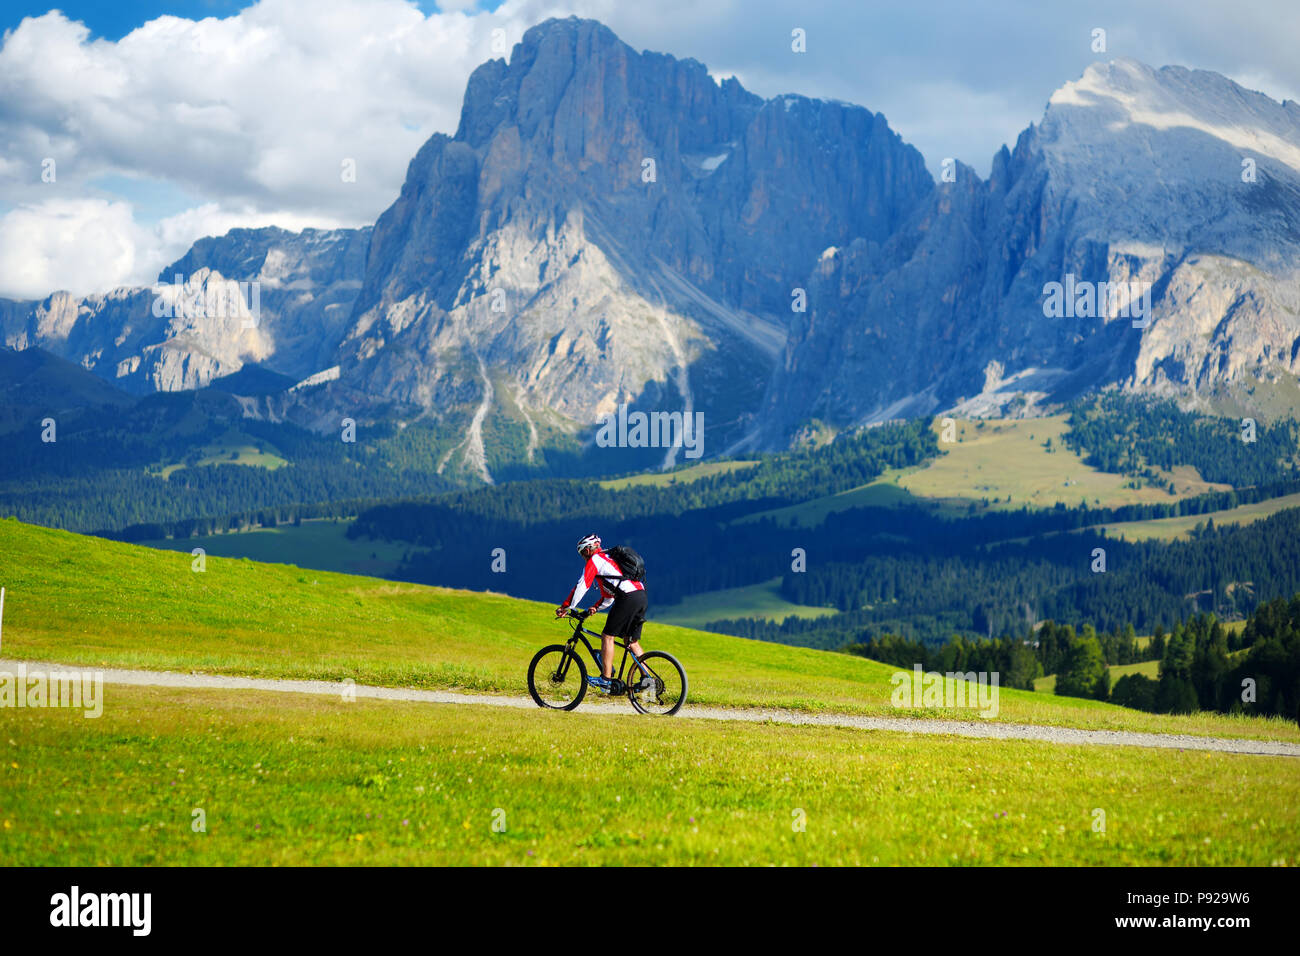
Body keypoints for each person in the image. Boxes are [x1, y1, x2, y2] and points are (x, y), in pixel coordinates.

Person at [555, 533, 647, 694]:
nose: (583, 557)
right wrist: (596, 608)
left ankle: (605, 680)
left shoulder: (595, 560)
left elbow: (582, 585)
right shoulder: (608, 559)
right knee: (630, 641)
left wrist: (567, 606)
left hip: (627, 597)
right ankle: (647, 679)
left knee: (607, 636)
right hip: (640, 595)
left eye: (583, 552)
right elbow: (609, 596)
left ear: (589, 550)